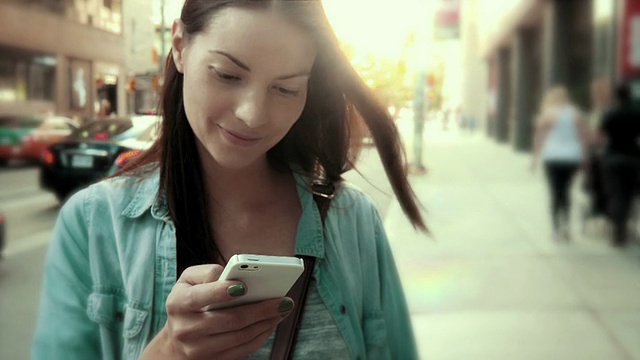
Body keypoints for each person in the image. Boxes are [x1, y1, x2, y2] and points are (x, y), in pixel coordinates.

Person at [31, 1, 427, 360]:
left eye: (286, 88)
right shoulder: (91, 223)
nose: (253, 114)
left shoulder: (354, 222)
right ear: (180, 46)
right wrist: (169, 350)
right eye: (228, 75)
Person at [531, 86, 590, 241]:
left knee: (554, 192)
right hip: (572, 157)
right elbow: (584, 136)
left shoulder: (548, 114)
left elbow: (539, 137)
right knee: (566, 191)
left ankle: (556, 229)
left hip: (552, 157)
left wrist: (535, 158)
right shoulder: (575, 113)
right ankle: (566, 227)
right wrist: (584, 157)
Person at [598, 81, 640, 247]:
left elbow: (600, 137)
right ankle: (624, 228)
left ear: (616, 96)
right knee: (629, 195)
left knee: (616, 195)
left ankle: (617, 233)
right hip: (633, 157)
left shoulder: (610, 114)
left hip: (613, 157)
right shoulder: (637, 113)